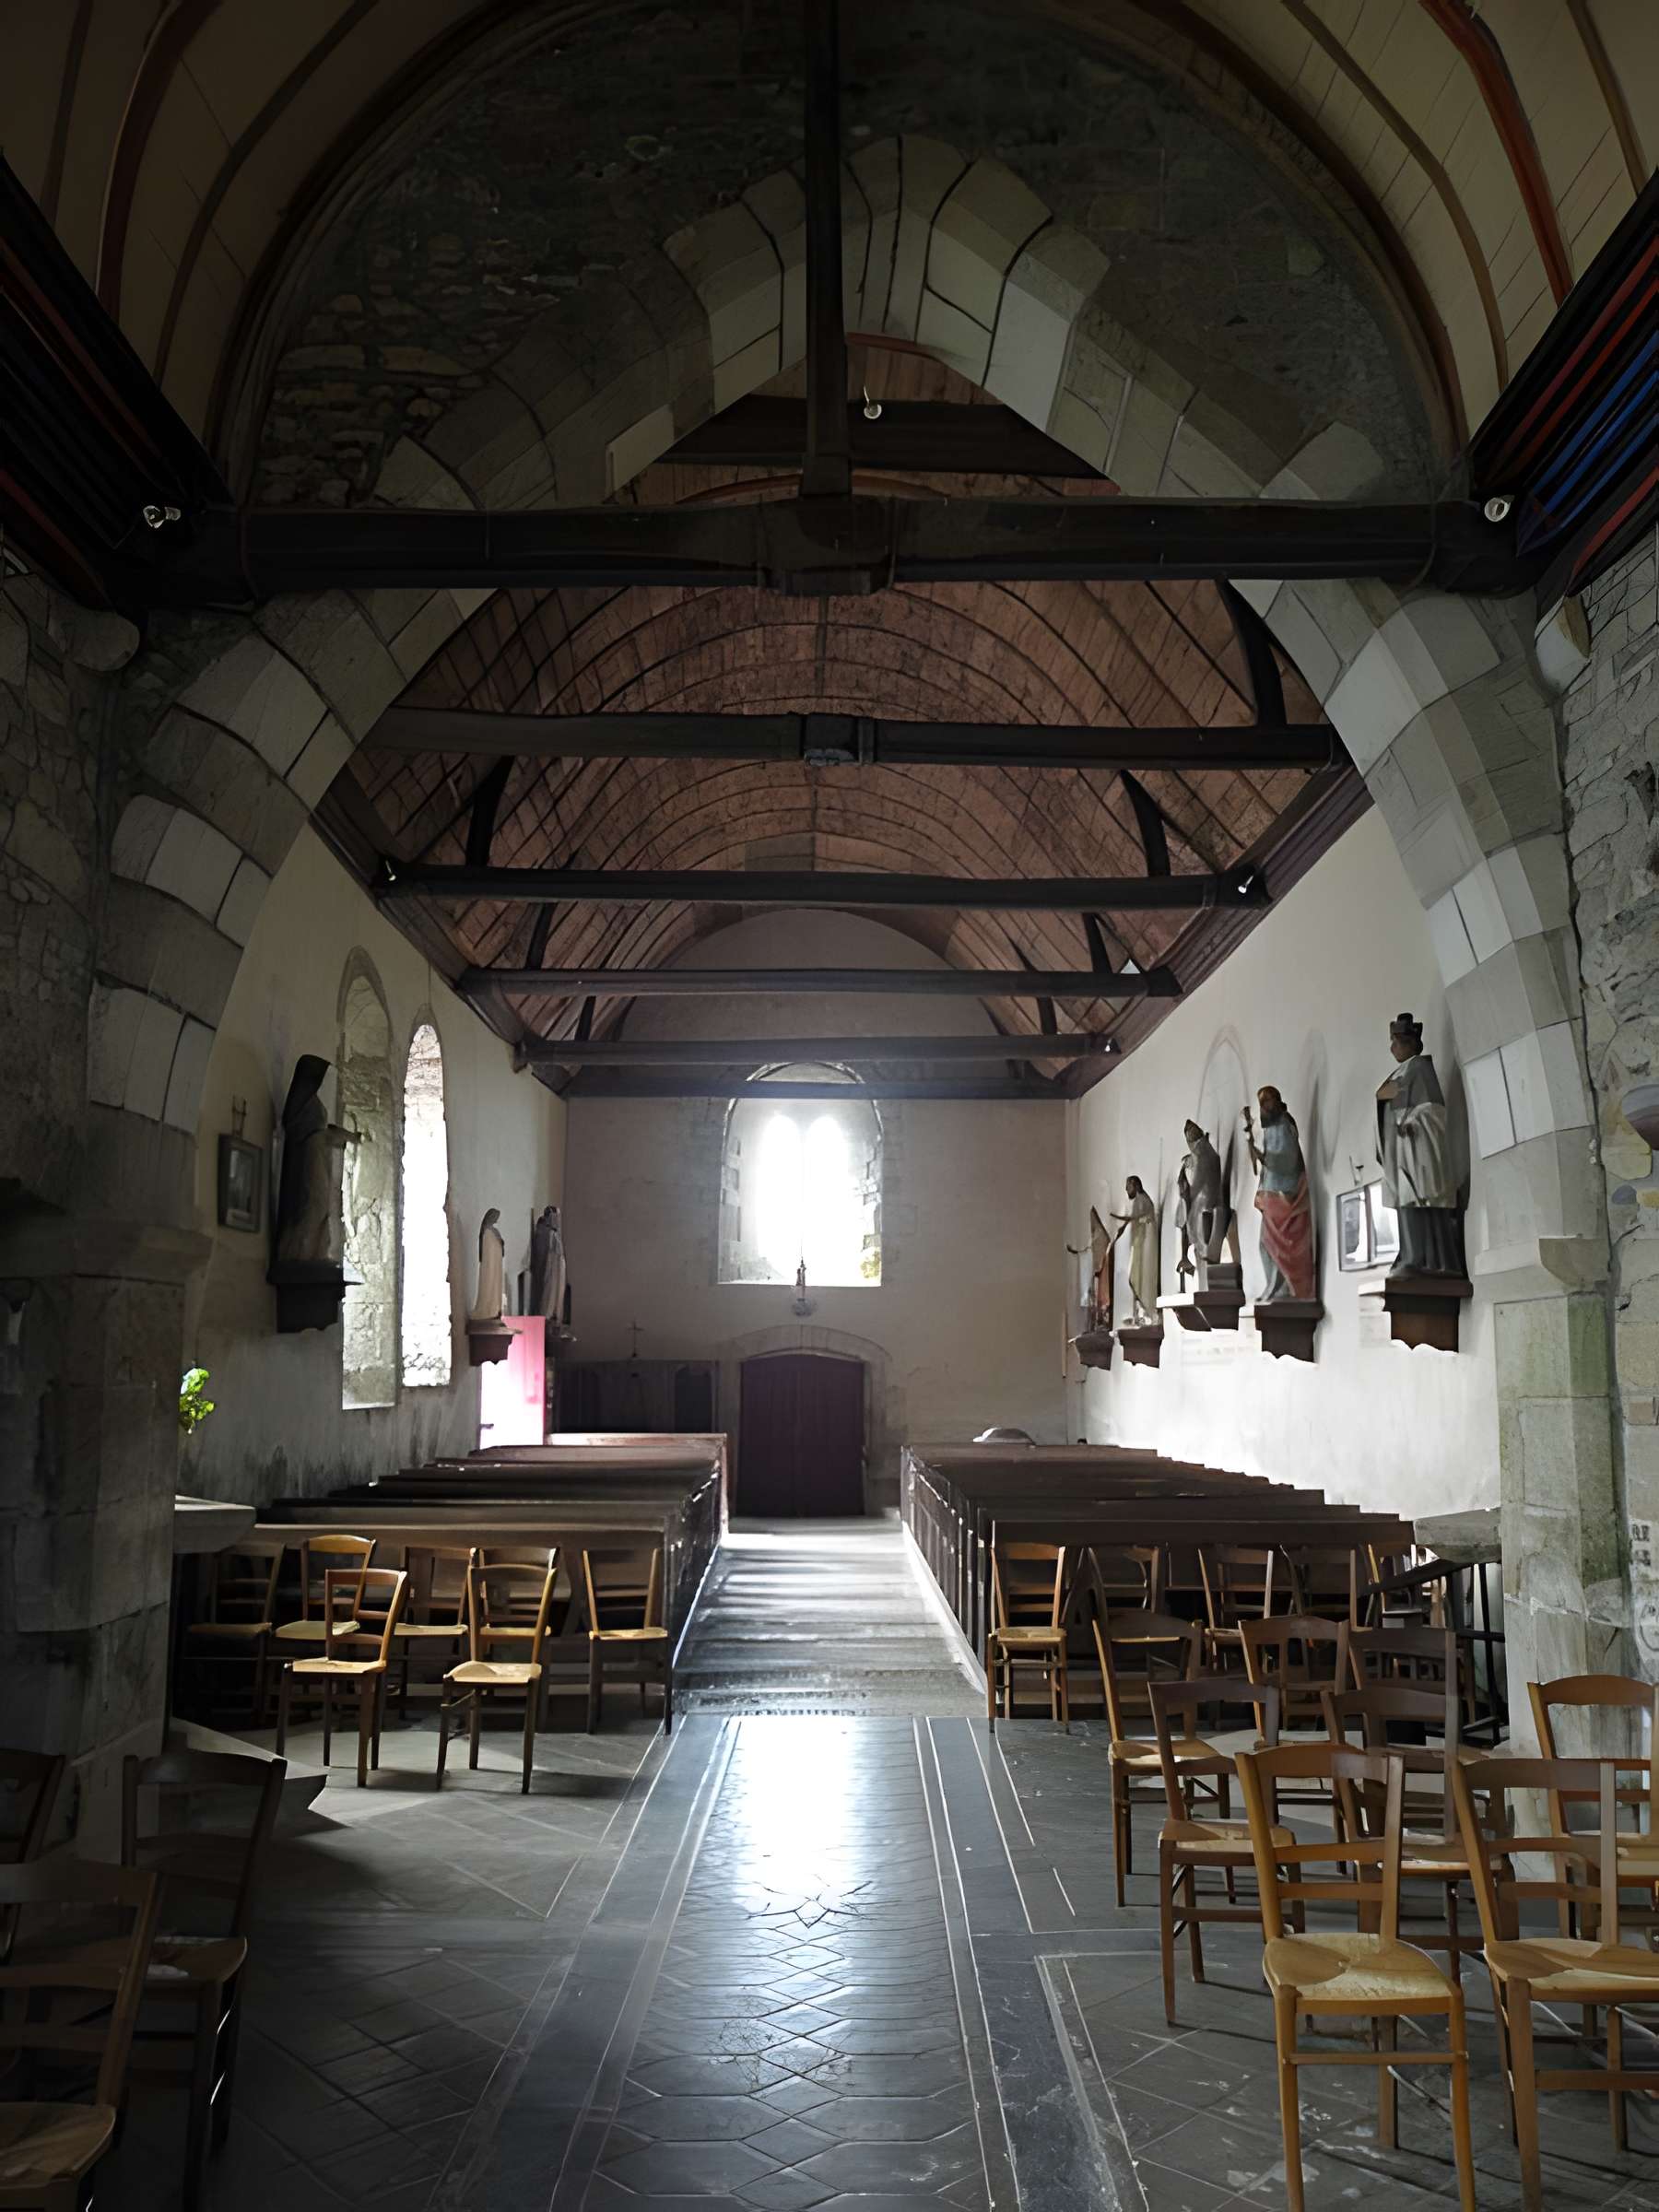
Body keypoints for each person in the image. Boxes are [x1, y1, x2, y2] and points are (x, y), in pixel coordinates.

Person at [1377, 1012, 1464, 1276]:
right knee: (1405, 1202)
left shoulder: (1420, 1068)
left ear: (1412, 1044)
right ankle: (1410, 1255)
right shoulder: (1400, 1072)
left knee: (1418, 1200)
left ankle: (1423, 1258)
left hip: (1416, 1150)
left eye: (1398, 1041)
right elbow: (1385, 1102)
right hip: (1401, 1151)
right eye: (1392, 1041)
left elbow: (1433, 1110)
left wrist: (1412, 1123)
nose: (1393, 1047)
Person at [1244, 1087, 1314, 1300]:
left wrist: (1263, 1157)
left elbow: (1286, 1160)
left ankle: (1287, 1287)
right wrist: (1256, 1150)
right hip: (1273, 1192)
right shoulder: (1272, 1128)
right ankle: (1274, 1285)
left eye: (1267, 1102)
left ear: (1277, 1101)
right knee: (1266, 1243)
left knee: (1283, 1243)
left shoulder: (1284, 1124)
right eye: (1261, 1103)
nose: (1264, 1107)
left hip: (1286, 1193)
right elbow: (1267, 1162)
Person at [1111, 1175, 1159, 1324]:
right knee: (1133, 1278)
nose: (1126, 1189)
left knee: (1138, 1278)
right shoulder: (1140, 1200)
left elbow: (1134, 1218)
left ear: (1135, 1185)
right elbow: (1133, 1219)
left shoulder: (1142, 1200)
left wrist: (1116, 1217)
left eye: (1128, 1186)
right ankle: (1139, 1311)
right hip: (1138, 1244)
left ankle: (1144, 1312)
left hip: (1143, 1245)